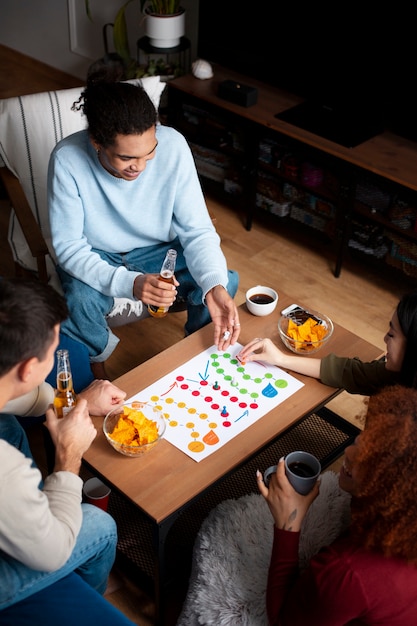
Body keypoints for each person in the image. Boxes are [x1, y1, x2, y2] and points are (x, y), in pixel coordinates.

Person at [47, 76, 240, 379]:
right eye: (127, 157)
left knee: (222, 282)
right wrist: (131, 283)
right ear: (97, 142)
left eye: (149, 153)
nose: (141, 166)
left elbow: (198, 230)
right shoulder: (67, 159)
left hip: (161, 251)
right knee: (79, 301)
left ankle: (200, 359)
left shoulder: (174, 145)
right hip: (99, 253)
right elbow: (69, 248)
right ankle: (97, 377)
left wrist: (213, 285)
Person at [0, 277, 134, 625]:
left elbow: (17, 399)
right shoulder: (6, 469)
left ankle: (28, 513)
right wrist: (68, 458)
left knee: (9, 424)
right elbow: (53, 552)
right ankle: (82, 592)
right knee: (101, 525)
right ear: (30, 368)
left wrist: (76, 402)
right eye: (53, 348)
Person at [257, 384, 417, 625]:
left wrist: (287, 524)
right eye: (368, 437)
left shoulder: (347, 572)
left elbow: (283, 620)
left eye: (369, 458)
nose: (349, 450)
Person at [238, 291, 417, 395]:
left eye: (392, 334)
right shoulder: (395, 372)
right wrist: (281, 359)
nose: (385, 338)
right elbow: (348, 372)